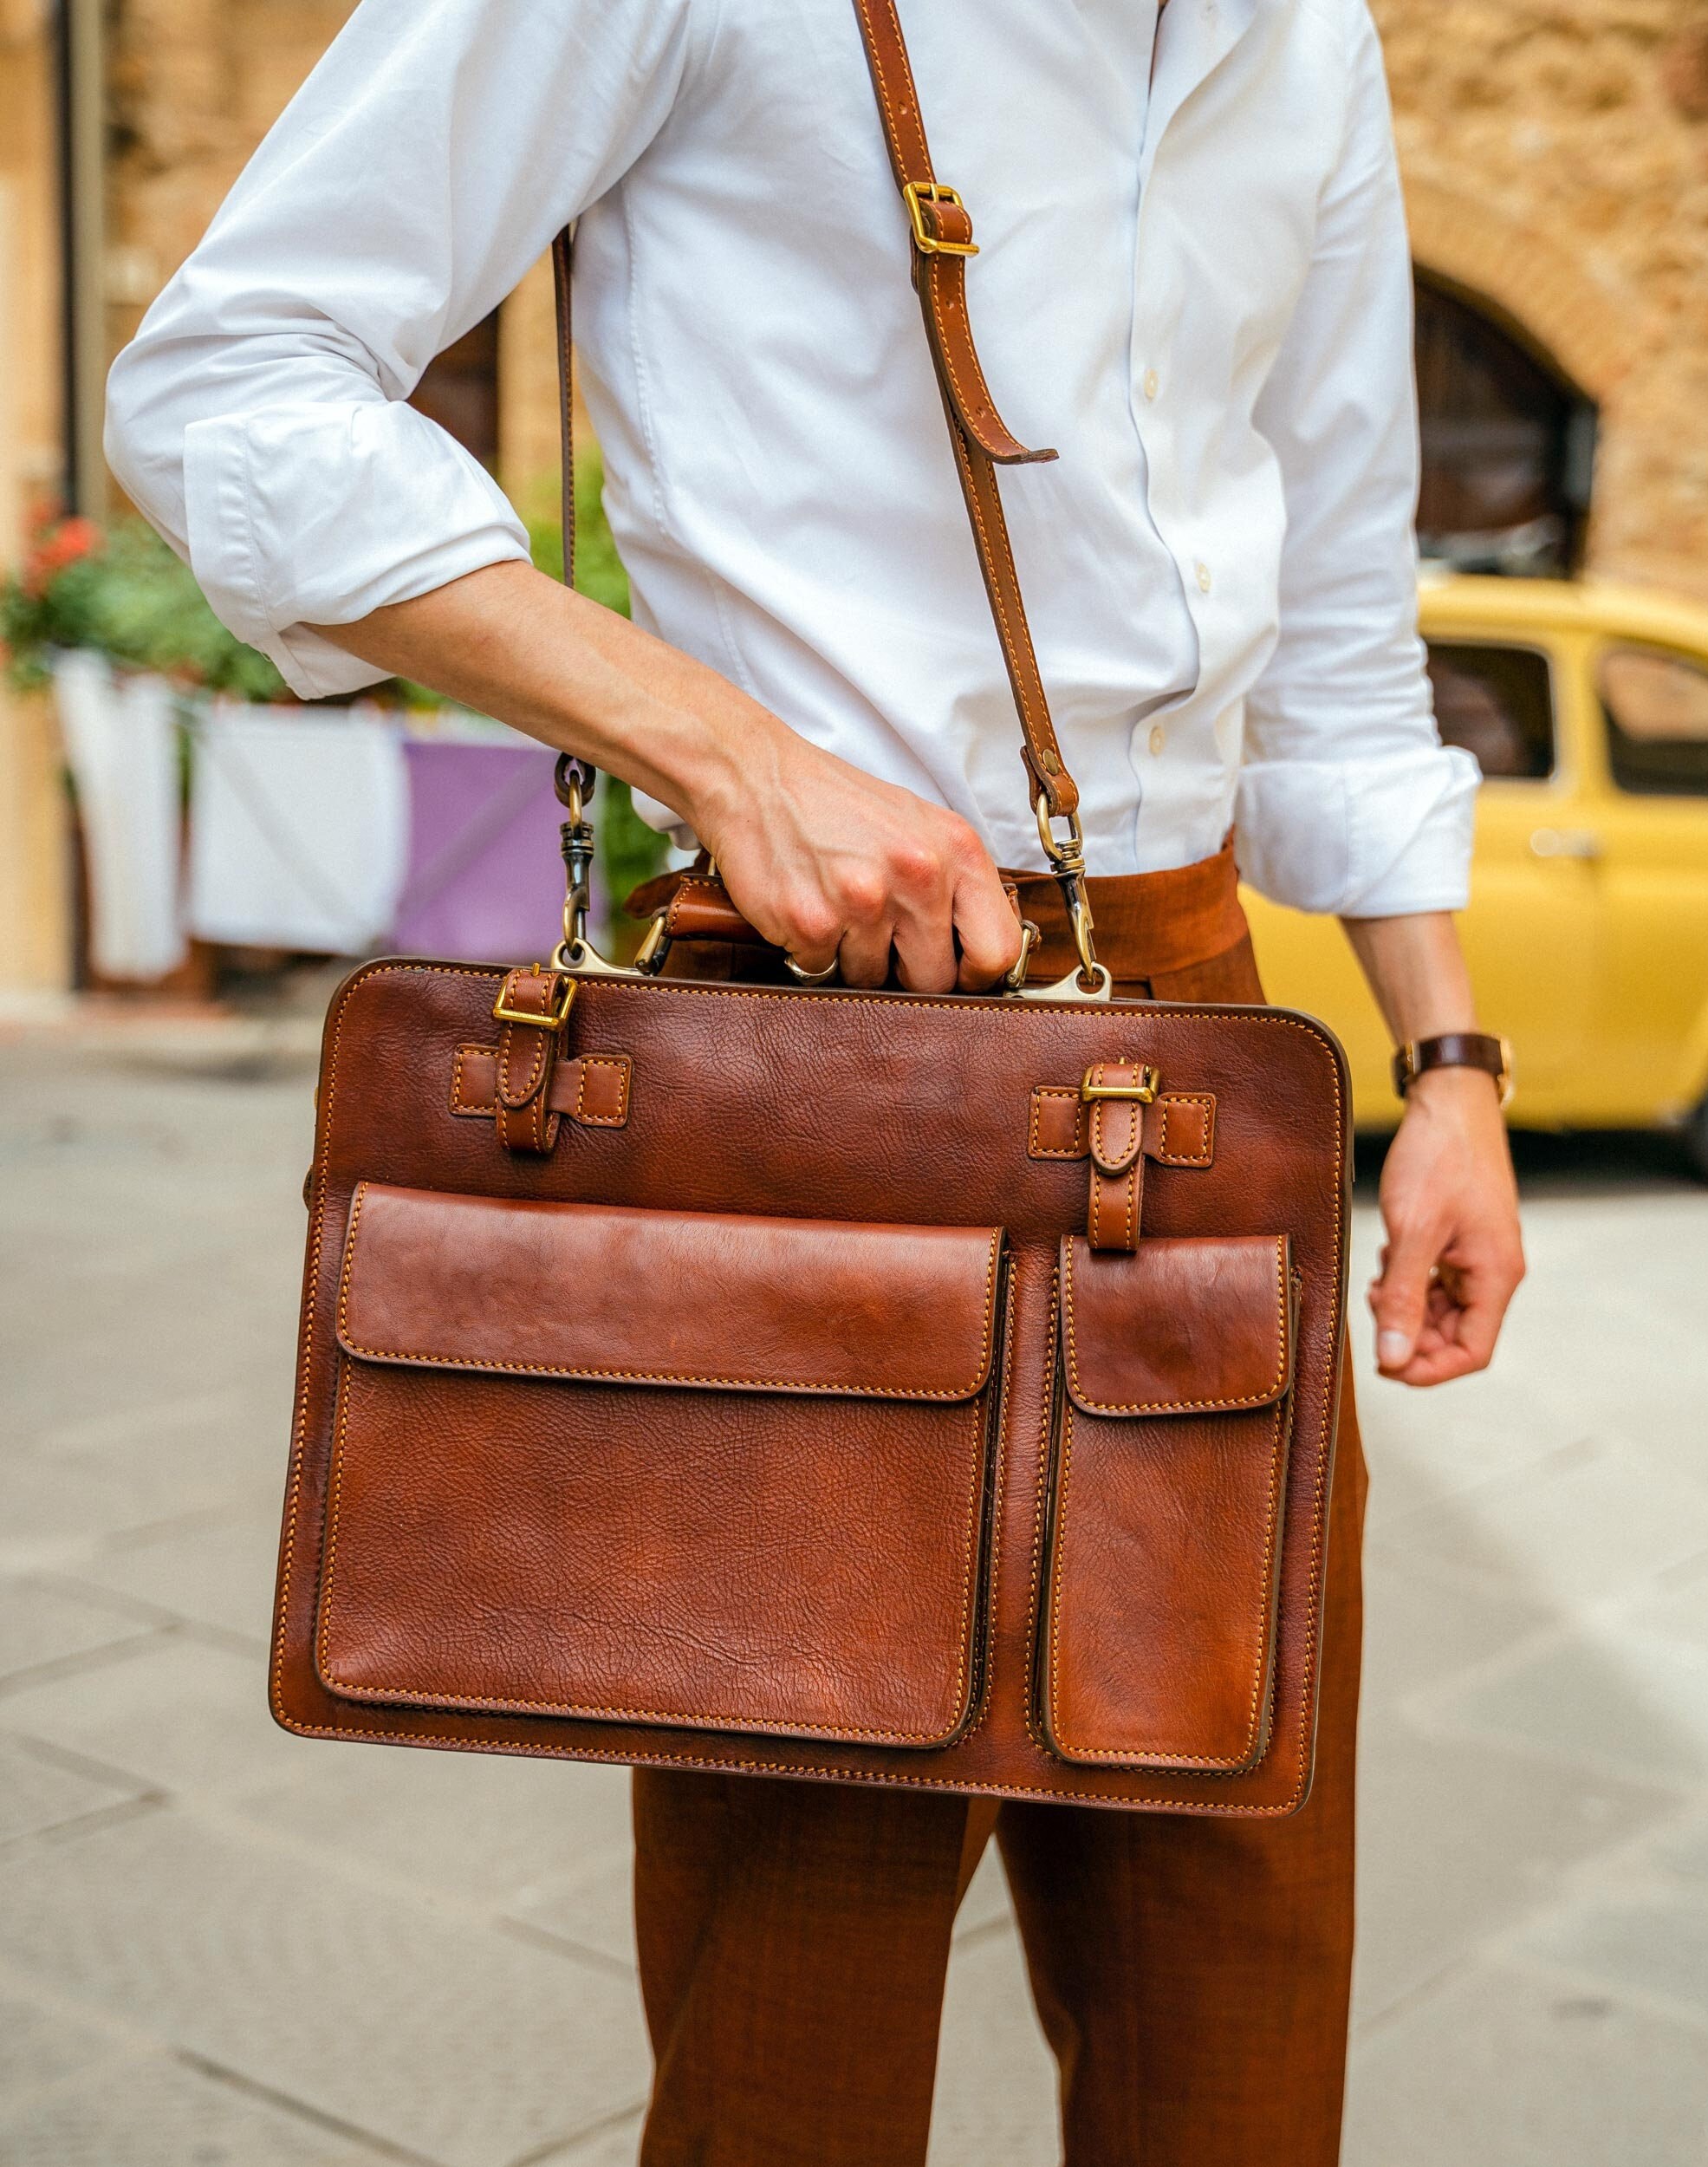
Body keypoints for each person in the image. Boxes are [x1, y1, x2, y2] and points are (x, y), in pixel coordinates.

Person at [106, 2, 1526, 2158]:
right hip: (827, 1014)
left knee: (1238, 1953)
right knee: (802, 1997)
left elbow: (1331, 578)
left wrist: (1447, 1062)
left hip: (1202, 1011)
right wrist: (725, 749)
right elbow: (230, 382)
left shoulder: (1299, 27)